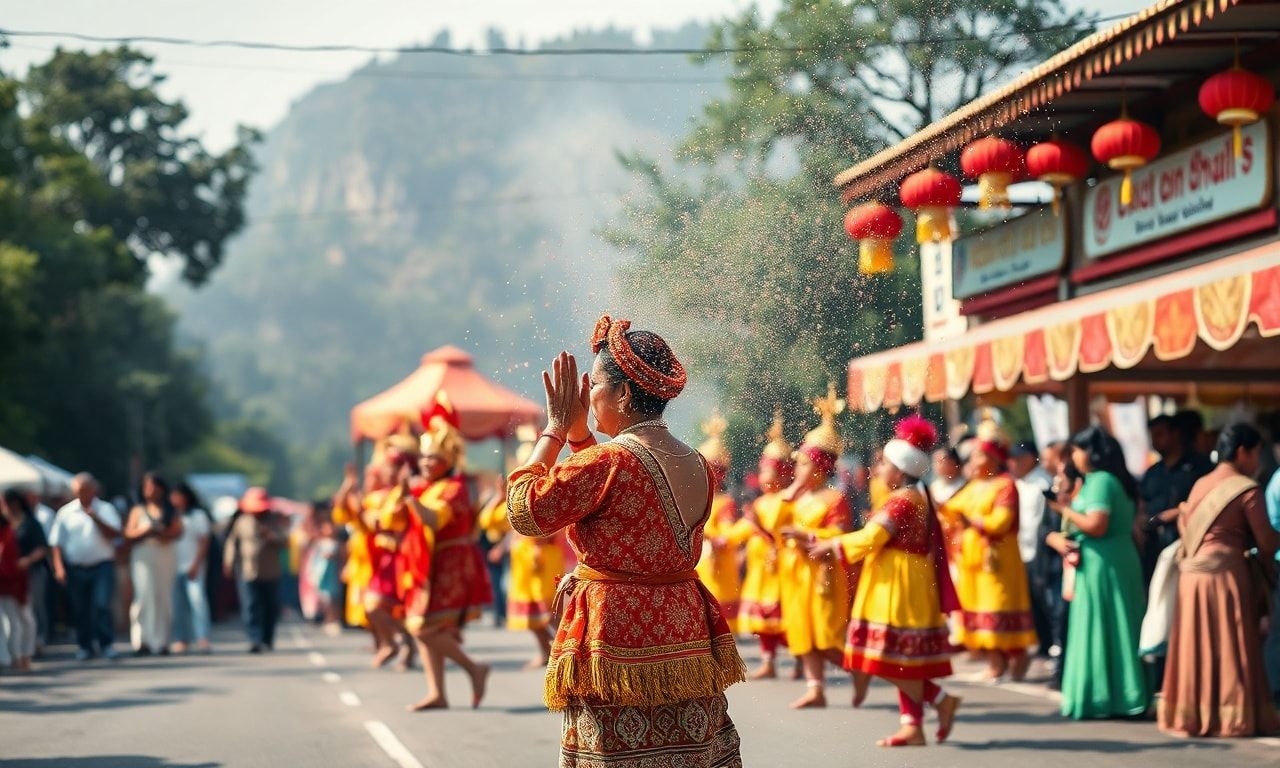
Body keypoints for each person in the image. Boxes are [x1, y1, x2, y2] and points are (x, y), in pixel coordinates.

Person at [506, 317, 744, 767]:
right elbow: (612, 501)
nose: (586, 395)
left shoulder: (609, 461)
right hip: (684, 632)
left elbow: (525, 511)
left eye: (594, 384)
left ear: (624, 394)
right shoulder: (696, 461)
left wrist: (555, 430)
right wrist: (581, 435)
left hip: (617, 640)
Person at [810, 416, 961, 747]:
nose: (878, 471)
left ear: (900, 468)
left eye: (884, 464)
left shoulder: (903, 500)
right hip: (900, 579)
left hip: (898, 583)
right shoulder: (914, 495)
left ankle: (938, 702)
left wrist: (831, 546)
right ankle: (914, 724)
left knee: (886, 656)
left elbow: (871, 538)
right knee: (898, 657)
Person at [1160, 423, 1280, 737]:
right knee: (1230, 646)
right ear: (1243, 452)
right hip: (1226, 577)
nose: (1258, 461)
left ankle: (1193, 715)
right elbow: (1267, 543)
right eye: (1256, 454)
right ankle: (1233, 718)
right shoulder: (1246, 488)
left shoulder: (1200, 483)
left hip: (1192, 578)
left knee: (1196, 646)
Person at [1044, 426, 1147, 719]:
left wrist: (1062, 509)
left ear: (1091, 453)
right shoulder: (1106, 481)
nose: (1073, 457)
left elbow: (1096, 525)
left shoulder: (1101, 481)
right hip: (1109, 560)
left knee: (1102, 627)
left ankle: (1104, 697)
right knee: (1112, 627)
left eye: (1076, 450)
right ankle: (1118, 694)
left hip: (1104, 563)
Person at [402, 394, 493, 711]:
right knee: (429, 628)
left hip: (452, 564)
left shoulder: (453, 489)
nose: (425, 462)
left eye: (432, 457)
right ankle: (437, 692)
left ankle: (473, 668)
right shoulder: (427, 487)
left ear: (449, 459)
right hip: (431, 564)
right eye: (423, 456)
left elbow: (430, 518)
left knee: (423, 628)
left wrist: (409, 498)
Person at [937, 420, 1037, 680]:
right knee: (977, 607)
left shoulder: (1005, 485)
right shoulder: (973, 486)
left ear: (993, 458)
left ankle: (1017, 656)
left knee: (998, 606)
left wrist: (973, 522)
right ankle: (996, 661)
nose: (974, 459)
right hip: (973, 561)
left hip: (997, 560)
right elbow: (951, 511)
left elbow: (1002, 521)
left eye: (980, 454)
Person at [779, 383, 853, 709]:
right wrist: (793, 490)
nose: (798, 470)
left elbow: (839, 535)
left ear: (821, 468)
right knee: (802, 631)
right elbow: (774, 526)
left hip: (822, 573)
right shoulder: (796, 498)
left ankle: (864, 670)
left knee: (825, 634)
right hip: (796, 573)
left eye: (804, 465)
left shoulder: (835, 498)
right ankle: (815, 688)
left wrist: (806, 537)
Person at [479, 427, 567, 669]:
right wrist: (499, 497)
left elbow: (555, 525)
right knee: (530, 618)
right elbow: (489, 522)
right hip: (523, 560)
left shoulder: (551, 490)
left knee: (549, 613)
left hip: (544, 556)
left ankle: (567, 652)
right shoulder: (515, 497)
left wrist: (538, 545)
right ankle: (546, 652)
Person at [735, 412, 798, 680]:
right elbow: (744, 530)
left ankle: (800, 662)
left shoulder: (787, 500)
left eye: (768, 470)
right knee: (763, 621)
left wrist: (759, 524)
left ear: (783, 473)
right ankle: (769, 661)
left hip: (781, 567)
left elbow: (777, 529)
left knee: (785, 617)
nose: (762, 476)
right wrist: (728, 538)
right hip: (761, 569)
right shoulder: (761, 502)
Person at [50, 473, 121, 661]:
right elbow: (56, 544)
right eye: (77, 491)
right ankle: (85, 645)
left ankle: (106, 644)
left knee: (101, 605)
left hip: (102, 566)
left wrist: (95, 518)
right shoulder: (65, 512)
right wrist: (59, 568)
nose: (80, 494)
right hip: (76, 568)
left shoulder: (106, 509)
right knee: (80, 608)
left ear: (93, 490)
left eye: (83, 490)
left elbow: (114, 534)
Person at [1139, 415, 1214, 586]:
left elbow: (1211, 501)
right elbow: (1141, 501)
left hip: (1187, 544)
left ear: (1175, 434)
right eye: (1152, 436)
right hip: (1154, 546)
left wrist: (1177, 512)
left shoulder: (1200, 466)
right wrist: (1140, 519)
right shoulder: (1152, 472)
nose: (1155, 441)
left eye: (1159, 434)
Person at [124, 472, 183, 655]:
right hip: (143, 555)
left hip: (164, 554)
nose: (150, 490)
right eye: (147, 486)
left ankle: (161, 641)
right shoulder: (138, 510)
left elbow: (177, 533)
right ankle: (141, 640)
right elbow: (128, 534)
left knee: (162, 597)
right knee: (143, 596)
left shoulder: (170, 510)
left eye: (153, 486)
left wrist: (160, 533)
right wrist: (145, 531)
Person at [223, 487, 286, 653]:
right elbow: (232, 543)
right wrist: (229, 562)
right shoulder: (241, 521)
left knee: (270, 607)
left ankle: (267, 639)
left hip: (271, 572)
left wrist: (271, 536)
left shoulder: (274, 521)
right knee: (251, 606)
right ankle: (254, 639)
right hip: (248, 570)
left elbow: (285, 541)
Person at [695, 410, 742, 634]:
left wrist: (716, 537)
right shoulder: (695, 498)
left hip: (718, 562)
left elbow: (728, 531)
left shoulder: (725, 501)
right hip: (699, 559)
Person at [1008, 443, 1051, 657]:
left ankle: (1049, 644)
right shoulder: (1019, 483)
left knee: (1043, 598)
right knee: (1032, 599)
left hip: (1039, 550)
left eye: (1017, 458)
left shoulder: (1043, 483)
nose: (1012, 463)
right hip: (1021, 549)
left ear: (1030, 458)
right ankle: (1042, 642)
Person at [0, 490, 46, 671]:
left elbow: (42, 547)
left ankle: (24, 655)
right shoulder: (4, 525)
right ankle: (12, 656)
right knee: (9, 620)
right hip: (6, 577)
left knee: (25, 617)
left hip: (26, 575)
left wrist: (27, 560)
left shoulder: (31, 523)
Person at [170, 482, 212, 654]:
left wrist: (196, 564)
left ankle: (202, 638)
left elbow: (204, 542)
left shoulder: (198, 516)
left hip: (193, 566)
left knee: (197, 602)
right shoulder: (170, 516)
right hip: (173, 566)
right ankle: (181, 639)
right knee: (177, 605)